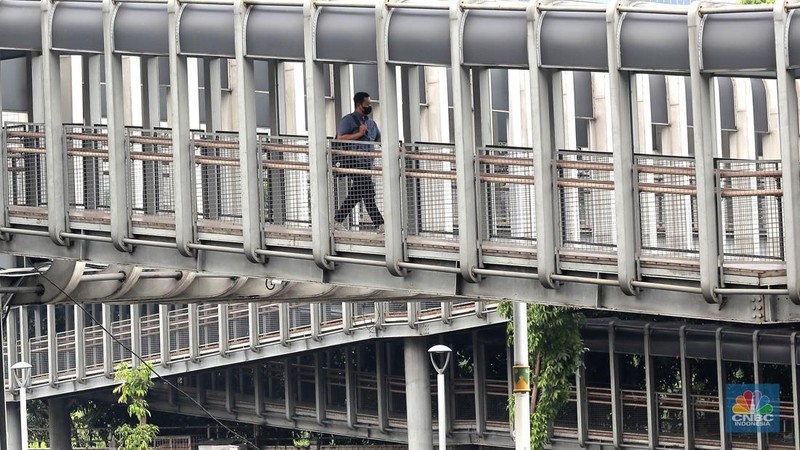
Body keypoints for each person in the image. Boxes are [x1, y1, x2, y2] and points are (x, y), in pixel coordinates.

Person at [333, 92, 385, 233]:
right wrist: (359, 134)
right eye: (367, 104)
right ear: (358, 104)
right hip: (354, 162)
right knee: (368, 191)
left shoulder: (371, 123)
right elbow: (340, 138)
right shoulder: (348, 120)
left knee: (356, 193)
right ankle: (380, 224)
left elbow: (379, 140)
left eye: (370, 103)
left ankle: (337, 220)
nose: (369, 106)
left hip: (368, 164)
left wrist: (395, 147)